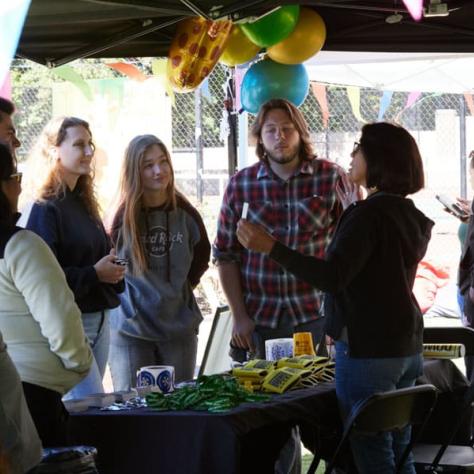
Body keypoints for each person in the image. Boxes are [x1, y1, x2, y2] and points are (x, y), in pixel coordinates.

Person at [236, 122, 433, 474]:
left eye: (359, 147)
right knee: (400, 449)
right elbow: (375, 268)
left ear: (379, 159)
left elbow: (333, 277)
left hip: (368, 350)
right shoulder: (406, 214)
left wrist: (271, 247)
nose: (352, 154)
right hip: (407, 346)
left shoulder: (367, 215)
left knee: (372, 453)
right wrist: (350, 214)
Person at [213, 98, 346, 474]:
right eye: (271, 129)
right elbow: (224, 255)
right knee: (266, 429)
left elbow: (350, 253)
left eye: (286, 128)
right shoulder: (241, 185)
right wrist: (239, 317)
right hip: (262, 322)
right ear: (259, 136)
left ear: (300, 132)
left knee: (324, 423)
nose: (279, 136)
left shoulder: (331, 178)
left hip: (315, 319)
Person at [23, 116, 125, 399]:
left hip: (101, 317)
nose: (89, 152)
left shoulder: (83, 201)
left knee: (91, 409)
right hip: (70, 322)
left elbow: (101, 256)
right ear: (54, 150)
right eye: (79, 145)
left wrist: (116, 268)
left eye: (90, 144)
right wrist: (95, 274)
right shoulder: (45, 207)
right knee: (90, 407)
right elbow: (41, 279)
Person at [0, 142, 93, 447]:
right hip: (31, 395)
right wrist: (78, 364)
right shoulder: (21, 246)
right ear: (7, 185)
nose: (19, 185)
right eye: (16, 176)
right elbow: (60, 318)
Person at [108, 134, 210, 389]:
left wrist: (175, 289)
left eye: (162, 162)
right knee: (134, 410)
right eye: (148, 165)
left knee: (178, 409)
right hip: (132, 330)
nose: (158, 171)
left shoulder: (186, 214)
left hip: (178, 328)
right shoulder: (121, 218)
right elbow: (109, 266)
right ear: (135, 171)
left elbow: (201, 258)